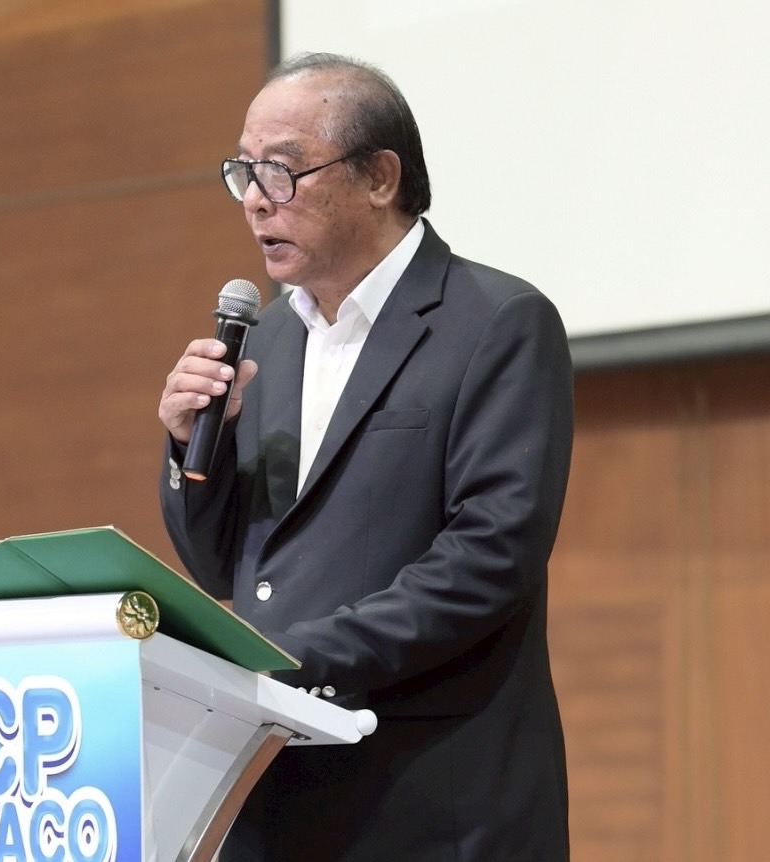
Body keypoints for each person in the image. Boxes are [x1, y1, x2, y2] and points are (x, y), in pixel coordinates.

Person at [157, 52, 574, 861]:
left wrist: (295, 661)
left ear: (379, 177)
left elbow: (489, 555)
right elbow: (224, 567)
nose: (253, 199)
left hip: (432, 804)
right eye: (244, 170)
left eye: (281, 171)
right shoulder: (266, 340)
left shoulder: (495, 322)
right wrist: (187, 448)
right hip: (276, 796)